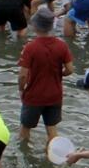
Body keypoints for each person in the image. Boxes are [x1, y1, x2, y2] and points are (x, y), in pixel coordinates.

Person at [18, 7, 74, 142]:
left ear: (35, 25)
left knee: (25, 130)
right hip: (55, 95)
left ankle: (25, 157)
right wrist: (59, 74)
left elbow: (23, 75)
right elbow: (70, 69)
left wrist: (21, 89)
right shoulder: (62, 46)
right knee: (52, 131)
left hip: (34, 96)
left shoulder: (30, 48)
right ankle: (51, 156)